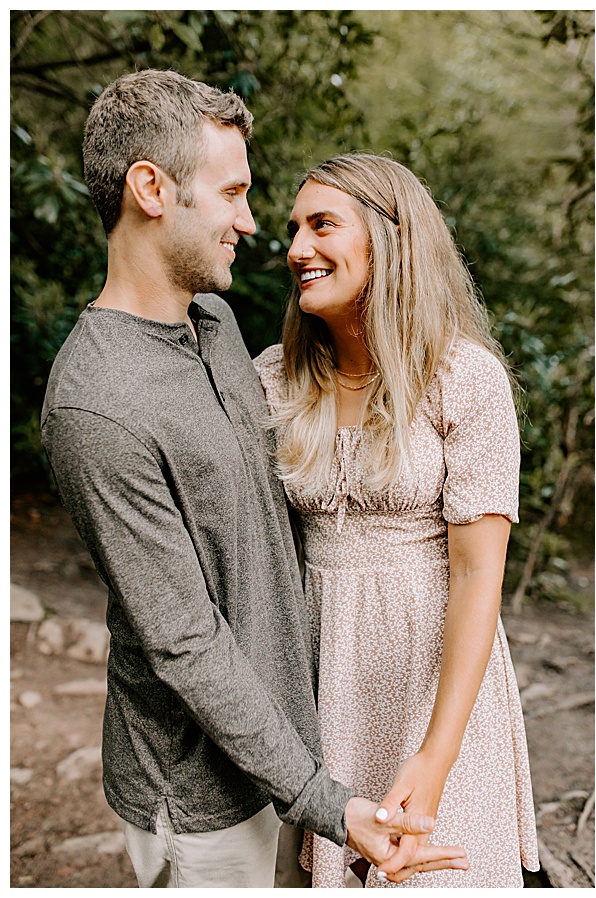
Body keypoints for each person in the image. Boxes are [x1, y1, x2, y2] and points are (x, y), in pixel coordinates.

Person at [40, 70, 465, 888]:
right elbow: (183, 639)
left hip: (286, 758)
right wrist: (328, 803)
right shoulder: (96, 405)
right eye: (232, 193)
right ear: (151, 188)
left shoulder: (217, 323)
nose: (250, 221)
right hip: (199, 796)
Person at [253, 153, 539, 887]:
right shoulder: (271, 381)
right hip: (318, 681)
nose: (296, 249)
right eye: (294, 228)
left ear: (391, 239)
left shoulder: (463, 379)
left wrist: (434, 759)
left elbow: (479, 576)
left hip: (434, 691)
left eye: (323, 225)